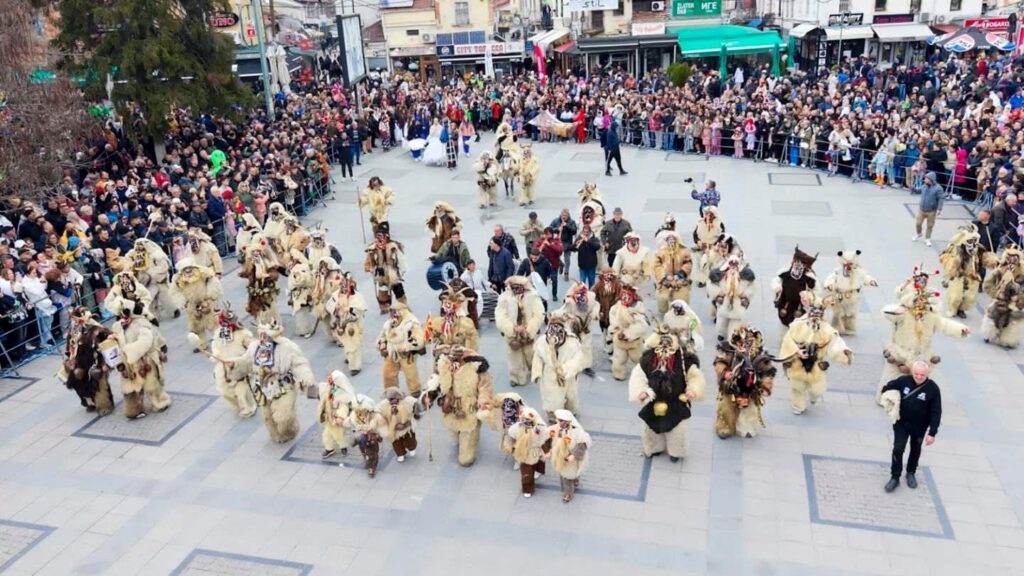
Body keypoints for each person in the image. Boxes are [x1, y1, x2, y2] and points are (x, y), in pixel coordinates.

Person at [225, 320, 313, 442]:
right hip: (262, 388)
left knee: (284, 416)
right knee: (267, 417)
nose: (262, 339)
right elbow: (246, 362)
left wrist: (305, 377)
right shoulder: (254, 347)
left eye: (265, 336)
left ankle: (290, 429)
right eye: (260, 335)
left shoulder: (288, 347)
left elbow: (300, 364)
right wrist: (234, 364)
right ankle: (277, 435)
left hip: (283, 386)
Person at [879, 361, 942, 492]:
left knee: (915, 449)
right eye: (916, 374)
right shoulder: (903, 381)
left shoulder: (933, 389)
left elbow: (936, 412)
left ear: (927, 373)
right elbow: (886, 388)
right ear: (912, 372)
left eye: (922, 375)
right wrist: (889, 401)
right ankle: (895, 476)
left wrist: (932, 433)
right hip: (901, 423)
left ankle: (911, 473)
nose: (919, 377)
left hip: (920, 426)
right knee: (898, 449)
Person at [495, 276, 545, 387]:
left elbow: (539, 314)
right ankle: (516, 377)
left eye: (519, 287)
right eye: (514, 287)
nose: (516, 290)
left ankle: (535, 371)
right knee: (514, 356)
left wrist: (529, 328)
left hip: (528, 332)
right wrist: (511, 328)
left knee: (531, 354)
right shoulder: (504, 298)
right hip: (512, 334)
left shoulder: (533, 296)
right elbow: (500, 316)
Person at [823, 250, 878, 335]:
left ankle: (850, 328)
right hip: (840, 295)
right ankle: (836, 328)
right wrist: (829, 284)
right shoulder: (838, 271)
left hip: (853, 295)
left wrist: (871, 281)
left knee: (851, 313)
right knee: (838, 313)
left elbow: (865, 277)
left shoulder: (858, 271)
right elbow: (831, 278)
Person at [542, 409, 590, 503]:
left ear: (568, 421)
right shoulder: (555, 429)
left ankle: (572, 486)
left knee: (571, 472)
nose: (560, 423)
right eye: (559, 420)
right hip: (560, 457)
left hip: (570, 458)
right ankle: (568, 492)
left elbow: (582, 444)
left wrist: (574, 455)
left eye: (563, 421)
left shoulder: (576, 432)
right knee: (565, 475)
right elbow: (548, 438)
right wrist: (548, 451)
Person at [376, 302, 425, 394]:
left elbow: (419, 340)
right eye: (391, 311)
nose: (392, 314)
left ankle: (415, 390)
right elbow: (382, 336)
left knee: (410, 373)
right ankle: (391, 392)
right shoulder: (388, 324)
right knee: (388, 373)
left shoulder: (411, 323)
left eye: (394, 311)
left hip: (406, 353)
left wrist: (407, 347)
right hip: (391, 351)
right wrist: (381, 344)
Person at [911, 171, 943, 247]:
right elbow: (918, 191)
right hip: (921, 209)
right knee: (918, 223)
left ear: (930, 179)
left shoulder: (938, 188)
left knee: (930, 226)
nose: (924, 179)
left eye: (926, 178)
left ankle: (927, 238)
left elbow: (940, 199)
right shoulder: (924, 186)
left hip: (931, 211)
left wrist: (939, 209)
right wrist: (913, 188)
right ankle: (919, 233)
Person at [551, 209, 578, 280]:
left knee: (567, 259)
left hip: (567, 243)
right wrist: (557, 229)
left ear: (568, 215)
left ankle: (566, 273)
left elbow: (574, 231)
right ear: (560, 214)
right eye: (563, 215)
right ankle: (561, 264)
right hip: (557, 242)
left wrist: (567, 226)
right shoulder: (555, 221)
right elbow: (550, 229)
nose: (564, 217)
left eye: (565, 215)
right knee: (555, 257)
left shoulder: (572, 222)